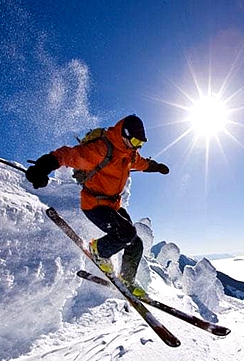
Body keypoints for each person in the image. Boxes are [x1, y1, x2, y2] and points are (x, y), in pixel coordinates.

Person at [25, 115, 169, 298]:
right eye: (134, 140)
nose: (137, 146)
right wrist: (42, 167)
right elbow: (68, 155)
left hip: (113, 204)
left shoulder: (130, 153)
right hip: (94, 204)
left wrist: (156, 167)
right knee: (126, 234)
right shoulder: (101, 149)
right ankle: (98, 251)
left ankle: (126, 280)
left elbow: (142, 163)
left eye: (141, 143)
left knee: (135, 243)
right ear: (123, 135)